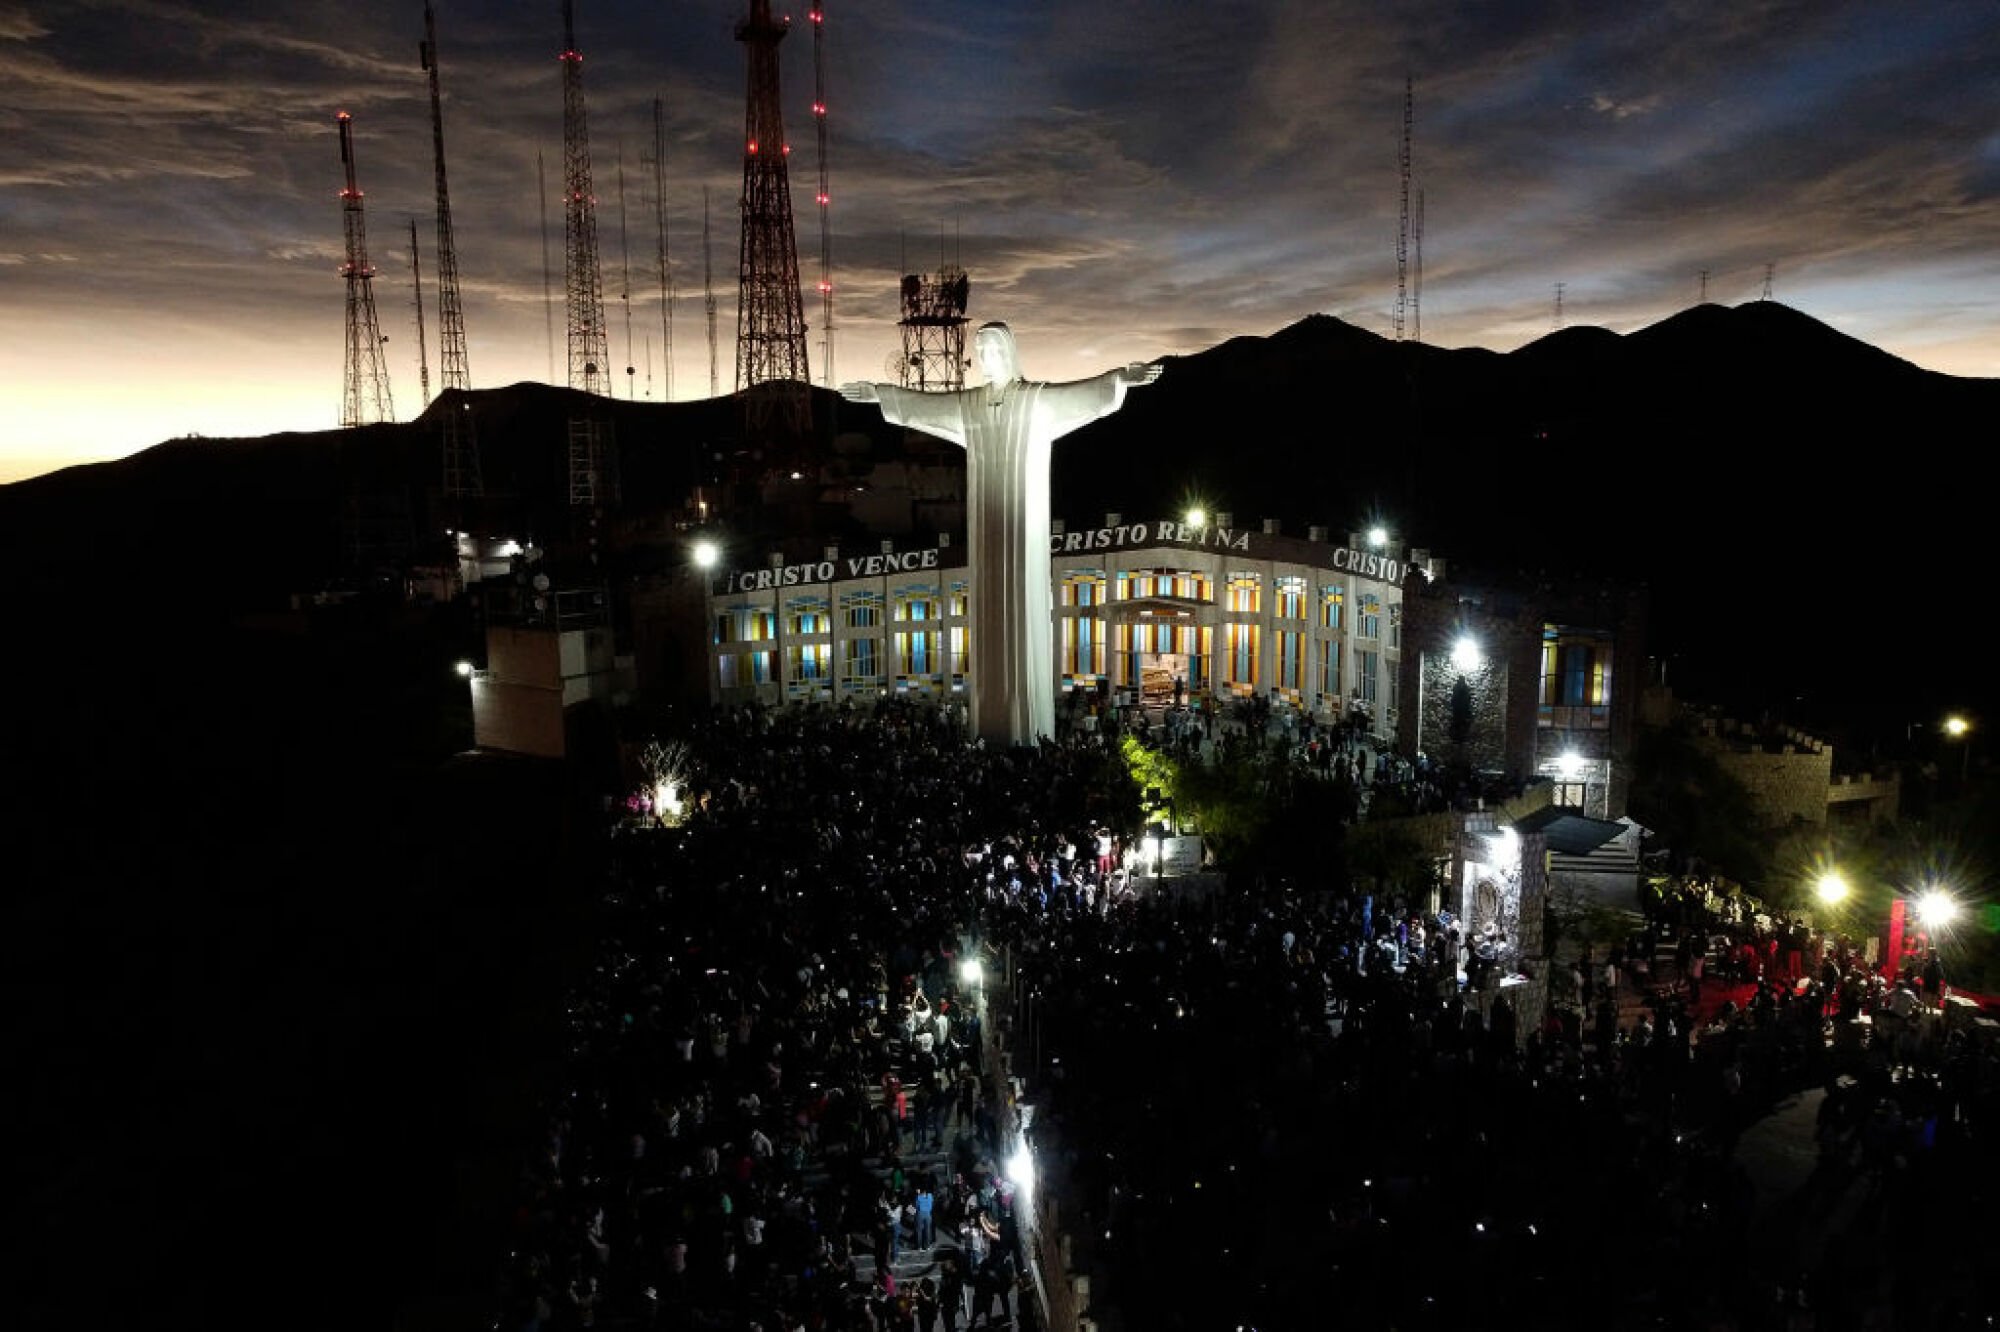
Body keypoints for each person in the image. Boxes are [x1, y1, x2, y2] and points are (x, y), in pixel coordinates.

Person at [842, 322, 1161, 744]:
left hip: (1021, 535)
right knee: (990, 618)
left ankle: (1027, 732)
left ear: (1009, 353)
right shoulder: (969, 406)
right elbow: (923, 405)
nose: (985, 358)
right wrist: (882, 395)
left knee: (1021, 619)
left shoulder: (1034, 401)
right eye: (980, 350)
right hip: (986, 542)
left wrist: (1119, 379)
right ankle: (991, 729)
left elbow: (1081, 393)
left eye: (992, 349)